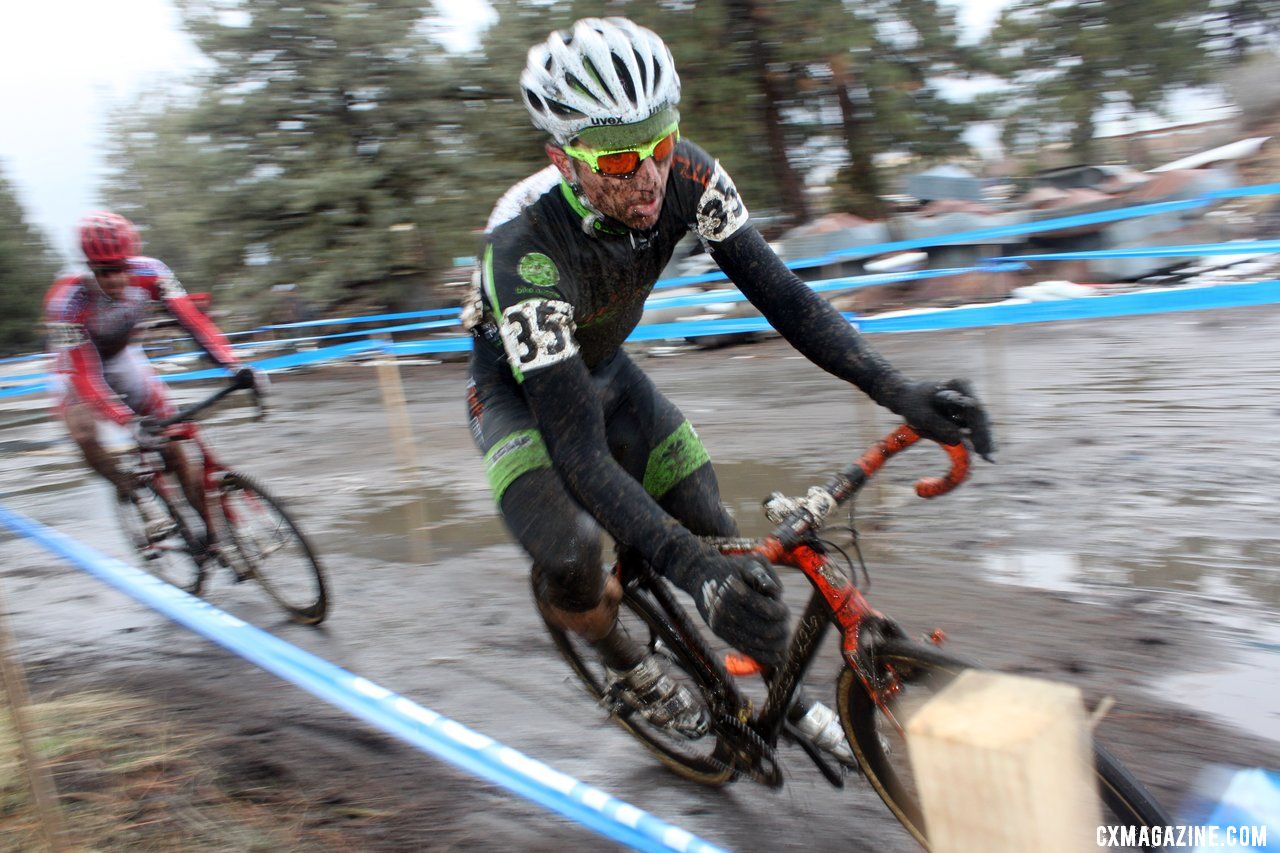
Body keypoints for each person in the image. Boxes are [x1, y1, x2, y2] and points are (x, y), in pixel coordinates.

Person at [464, 18, 993, 760]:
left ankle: (788, 694)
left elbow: (788, 300)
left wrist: (899, 388)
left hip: (607, 369)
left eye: (660, 142)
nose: (647, 174)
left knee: (709, 520)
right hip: (522, 397)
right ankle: (627, 663)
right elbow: (577, 450)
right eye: (618, 158)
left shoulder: (690, 178)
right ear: (566, 160)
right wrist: (694, 573)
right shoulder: (523, 249)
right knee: (573, 550)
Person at [45, 211, 263, 547]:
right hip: (75, 369)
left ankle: (214, 538)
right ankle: (137, 498)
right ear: (89, 267)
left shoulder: (152, 272)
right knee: (84, 431)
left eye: (122, 268)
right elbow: (85, 375)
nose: (117, 279)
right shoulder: (67, 302)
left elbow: (193, 322)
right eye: (105, 272)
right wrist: (126, 421)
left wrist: (234, 365)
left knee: (173, 446)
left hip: (119, 358)